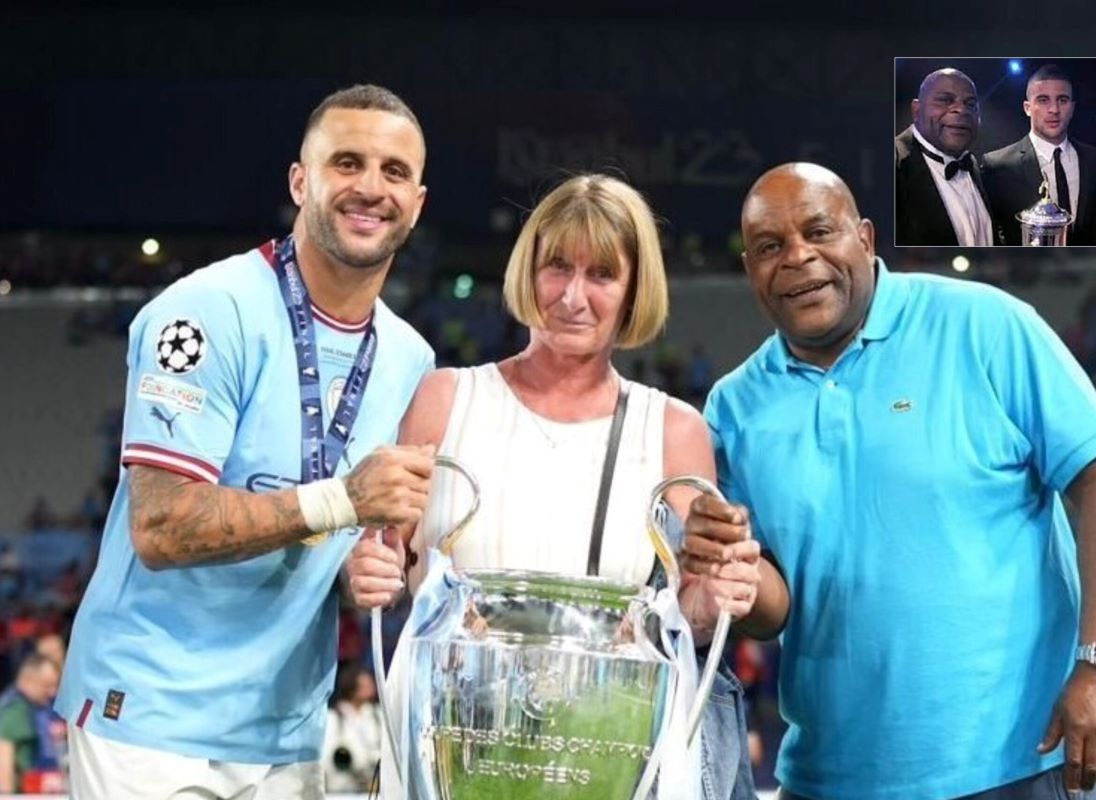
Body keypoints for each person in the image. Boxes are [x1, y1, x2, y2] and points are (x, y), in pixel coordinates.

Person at [686, 162, 1096, 799]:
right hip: (828, 780)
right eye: (770, 247)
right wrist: (723, 562)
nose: (798, 258)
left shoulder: (985, 326)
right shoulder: (733, 408)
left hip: (1020, 768)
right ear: (751, 272)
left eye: (819, 231)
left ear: (866, 239)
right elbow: (773, 610)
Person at [346, 173, 785, 799]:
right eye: (557, 267)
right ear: (528, 271)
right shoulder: (446, 399)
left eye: (602, 274)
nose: (573, 296)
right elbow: (384, 562)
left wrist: (719, 592)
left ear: (635, 291)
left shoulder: (672, 429)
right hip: (446, 755)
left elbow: (688, 619)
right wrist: (368, 568)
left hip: (604, 759)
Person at [55, 84, 437, 799]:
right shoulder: (206, 312)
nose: (370, 188)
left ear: (417, 201)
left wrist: (361, 568)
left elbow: (358, 536)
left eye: (394, 172)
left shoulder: (410, 359)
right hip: (151, 719)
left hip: (285, 731)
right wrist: (341, 502)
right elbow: (162, 527)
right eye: (346, 162)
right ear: (301, 181)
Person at [982, 64, 1096, 246]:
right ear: (1027, 107)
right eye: (1043, 100)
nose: (1054, 110)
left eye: (1062, 100)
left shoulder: (1093, 159)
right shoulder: (998, 165)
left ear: (1072, 108)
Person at [895, 68, 993, 246]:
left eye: (970, 104)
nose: (960, 110)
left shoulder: (974, 165)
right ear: (916, 111)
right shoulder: (894, 165)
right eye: (945, 100)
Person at [0, 653, 62, 793]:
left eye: (55, 686)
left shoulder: (43, 707)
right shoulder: (14, 711)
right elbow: (3, 764)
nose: (53, 692)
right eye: (46, 686)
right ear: (27, 681)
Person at [321, 663, 383, 793]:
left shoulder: (377, 715)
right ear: (352, 686)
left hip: (372, 787)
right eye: (365, 685)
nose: (370, 687)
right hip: (341, 789)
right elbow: (328, 755)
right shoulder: (334, 717)